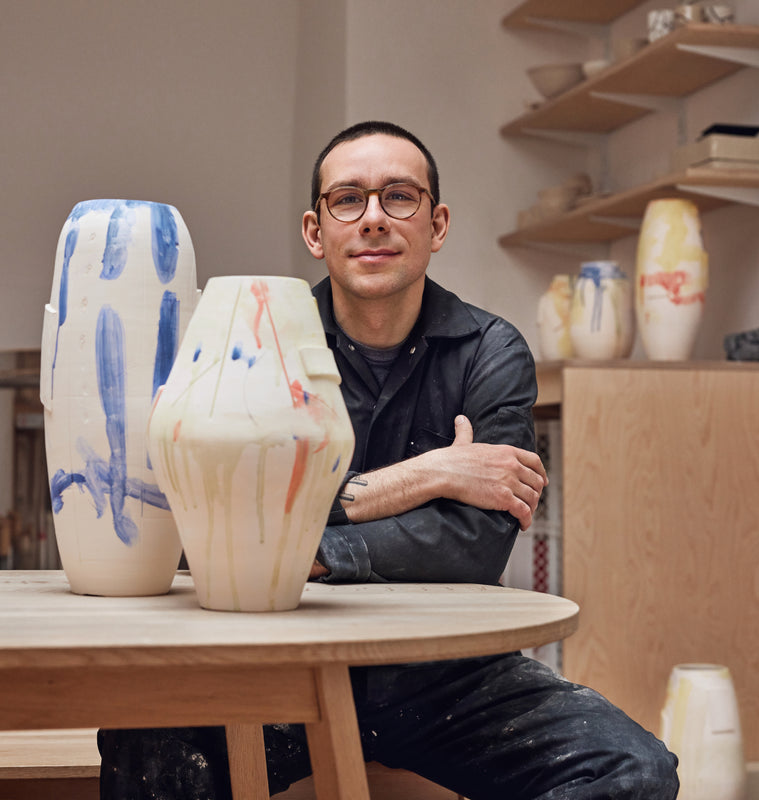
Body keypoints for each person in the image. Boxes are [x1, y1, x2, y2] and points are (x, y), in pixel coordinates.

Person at [99, 121, 679, 799]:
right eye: (348, 199)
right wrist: (432, 473)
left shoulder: (492, 351)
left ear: (437, 224)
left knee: (634, 769)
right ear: (316, 232)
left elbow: (475, 543)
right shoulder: (256, 344)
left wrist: (304, 549)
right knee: (144, 735)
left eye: (399, 197)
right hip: (278, 662)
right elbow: (222, 518)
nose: (373, 218)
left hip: (450, 675)